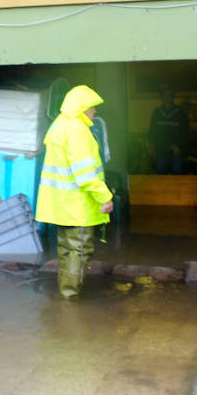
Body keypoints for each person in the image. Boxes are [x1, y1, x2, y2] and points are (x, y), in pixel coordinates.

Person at [35, 85, 114, 298]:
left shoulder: (59, 125)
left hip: (60, 205)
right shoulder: (78, 131)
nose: (94, 111)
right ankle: (70, 295)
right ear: (81, 108)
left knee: (66, 249)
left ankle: (65, 291)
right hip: (76, 206)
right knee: (79, 250)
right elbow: (85, 174)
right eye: (92, 107)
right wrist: (104, 197)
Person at [148, 87, 188, 174]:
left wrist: (180, 147)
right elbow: (152, 131)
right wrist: (151, 146)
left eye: (170, 95)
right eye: (165, 95)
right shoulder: (157, 112)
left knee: (177, 175)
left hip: (176, 151)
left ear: (173, 97)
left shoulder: (180, 112)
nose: (167, 97)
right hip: (160, 150)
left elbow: (185, 133)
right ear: (161, 97)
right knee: (161, 175)